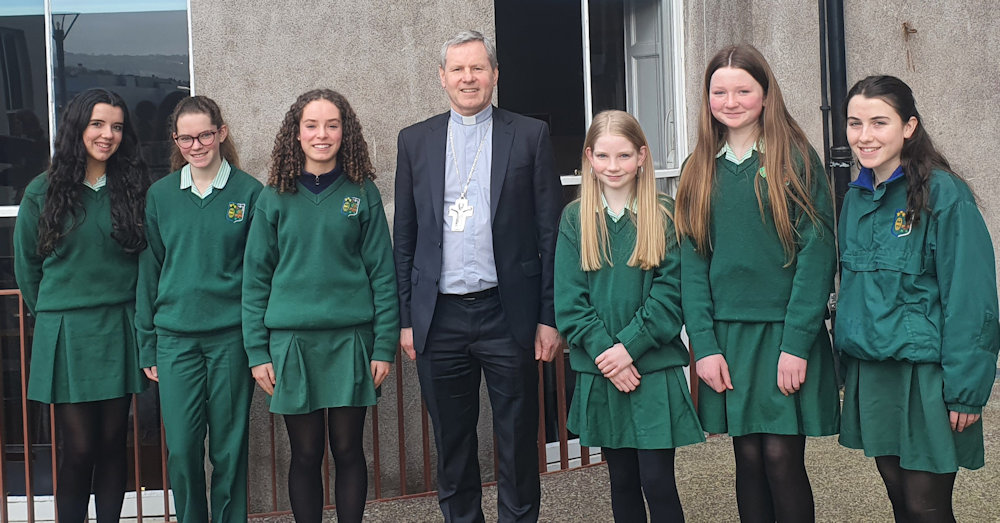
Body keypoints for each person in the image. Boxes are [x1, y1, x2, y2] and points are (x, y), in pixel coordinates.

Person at [393, 30, 562, 522]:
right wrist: (407, 319)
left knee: (516, 440)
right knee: (452, 444)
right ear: (442, 78)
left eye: (478, 68)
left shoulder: (529, 135)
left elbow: (550, 233)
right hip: (439, 316)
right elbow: (405, 237)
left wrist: (548, 317)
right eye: (458, 69)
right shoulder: (415, 141)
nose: (469, 78)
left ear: (494, 74)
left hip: (507, 313)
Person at [674, 44, 840, 522]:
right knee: (746, 460)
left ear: (765, 94)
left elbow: (817, 255)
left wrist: (797, 344)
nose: (731, 101)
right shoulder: (698, 169)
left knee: (781, 459)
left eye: (743, 90)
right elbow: (692, 265)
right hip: (728, 339)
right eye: (719, 91)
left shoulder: (795, 160)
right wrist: (703, 346)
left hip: (785, 335)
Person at [837, 75, 999, 522]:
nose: (864, 136)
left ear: (909, 126)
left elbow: (972, 294)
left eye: (879, 122)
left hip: (926, 378)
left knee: (926, 507)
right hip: (874, 373)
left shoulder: (944, 194)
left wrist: (966, 389)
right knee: (899, 501)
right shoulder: (856, 197)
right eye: (855, 123)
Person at [242, 89, 397, 523]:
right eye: (311, 125)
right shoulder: (273, 197)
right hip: (292, 344)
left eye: (332, 125)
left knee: (348, 450)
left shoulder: (361, 193)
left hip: (351, 342)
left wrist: (383, 346)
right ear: (296, 133)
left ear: (345, 132)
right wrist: (258, 353)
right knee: (305, 453)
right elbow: (254, 281)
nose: (321, 134)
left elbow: (383, 276)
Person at [554, 110, 704, 522]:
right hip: (602, 372)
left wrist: (629, 349)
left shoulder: (664, 213)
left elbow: (670, 296)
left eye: (623, 156)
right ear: (589, 158)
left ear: (641, 156)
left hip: (652, 371)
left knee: (657, 481)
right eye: (603, 156)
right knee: (621, 481)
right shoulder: (575, 219)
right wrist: (608, 354)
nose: (613, 166)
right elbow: (569, 303)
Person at [13, 88, 149, 522]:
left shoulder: (131, 189)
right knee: (80, 447)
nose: (107, 134)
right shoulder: (42, 191)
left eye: (116, 126)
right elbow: (27, 270)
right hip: (68, 332)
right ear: (77, 127)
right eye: (97, 124)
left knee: (113, 443)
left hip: (118, 326)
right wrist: (58, 314)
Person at [135, 95, 261, 523]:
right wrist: (147, 343)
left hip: (231, 339)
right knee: (184, 449)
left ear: (221, 133)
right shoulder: (161, 195)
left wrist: (258, 341)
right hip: (175, 341)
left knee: (229, 447)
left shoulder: (249, 192)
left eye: (205, 134)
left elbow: (260, 273)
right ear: (175, 140)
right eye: (186, 137)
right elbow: (149, 270)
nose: (196, 144)